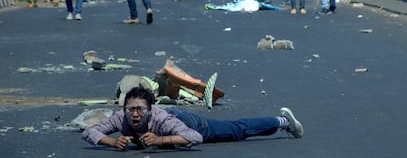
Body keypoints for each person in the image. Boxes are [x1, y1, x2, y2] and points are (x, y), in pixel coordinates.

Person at [82, 87, 304, 151]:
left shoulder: (163, 120)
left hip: (191, 123)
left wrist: (160, 141)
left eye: (140, 109)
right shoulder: (121, 118)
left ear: (150, 109)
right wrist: (111, 142)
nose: (135, 114)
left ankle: (282, 121)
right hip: (175, 128)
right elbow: (89, 131)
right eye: (131, 110)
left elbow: (194, 137)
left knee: (237, 130)